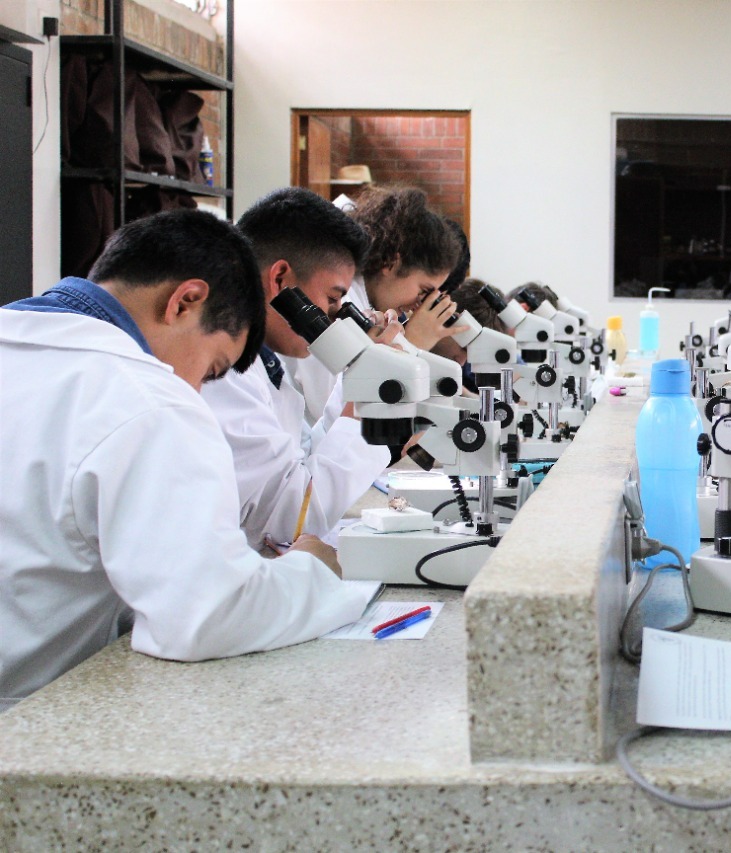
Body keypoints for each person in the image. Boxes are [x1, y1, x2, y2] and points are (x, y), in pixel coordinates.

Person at [0, 210, 372, 711]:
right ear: (185, 301)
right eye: (213, 369)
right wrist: (313, 569)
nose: (198, 391)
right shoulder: (150, 402)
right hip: (29, 721)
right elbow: (207, 616)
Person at [201, 188, 390, 551]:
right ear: (281, 280)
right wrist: (367, 410)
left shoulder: (263, 363)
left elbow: (302, 462)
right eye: (332, 299)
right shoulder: (224, 376)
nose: (334, 317)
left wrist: (357, 385)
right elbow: (291, 521)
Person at [288, 187, 464, 425]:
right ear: (391, 262)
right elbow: (330, 408)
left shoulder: (365, 303)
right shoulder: (339, 301)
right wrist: (413, 344)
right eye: (423, 291)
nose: (419, 305)